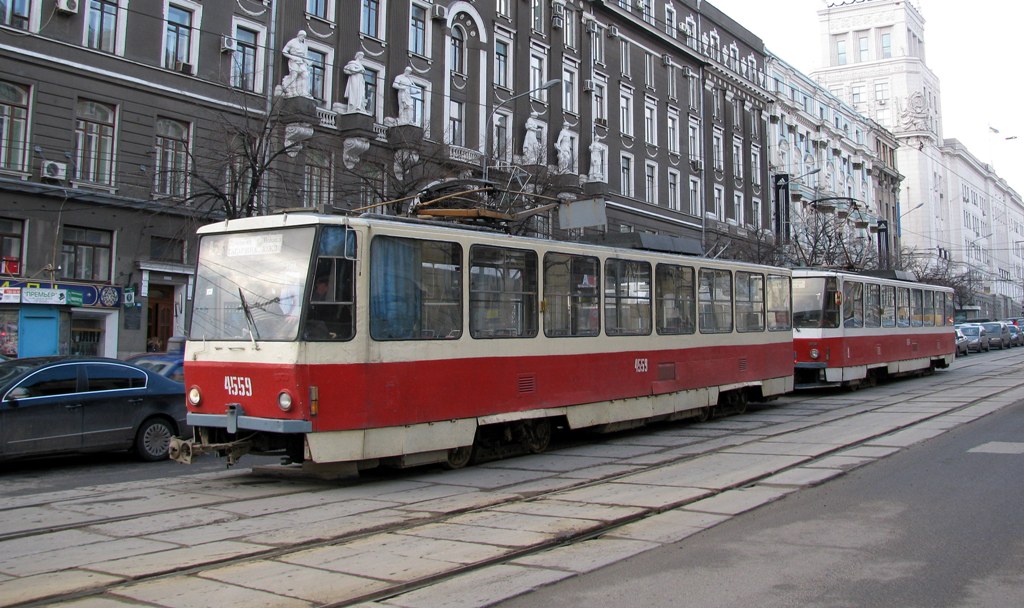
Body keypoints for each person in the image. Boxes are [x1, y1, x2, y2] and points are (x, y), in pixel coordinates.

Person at [280, 31, 310, 98]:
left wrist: (307, 62)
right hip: (293, 61)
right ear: (299, 35)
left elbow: (304, 56)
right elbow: (284, 51)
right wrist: (292, 57)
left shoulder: (304, 45)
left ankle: (303, 91)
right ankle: (293, 91)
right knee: (294, 76)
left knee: (305, 75)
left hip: (301, 61)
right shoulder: (292, 42)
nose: (303, 38)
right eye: (302, 36)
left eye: (304, 37)